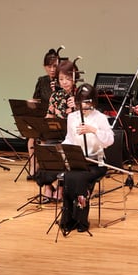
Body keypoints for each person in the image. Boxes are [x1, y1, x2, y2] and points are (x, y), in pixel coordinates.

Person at [59, 83, 115, 234]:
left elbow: (109, 140)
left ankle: (81, 220)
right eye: (81, 102)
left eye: (87, 102)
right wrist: (63, 149)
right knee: (68, 177)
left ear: (93, 102)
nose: (84, 106)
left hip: (95, 162)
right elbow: (69, 138)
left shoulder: (100, 118)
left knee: (80, 178)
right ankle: (68, 219)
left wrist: (93, 130)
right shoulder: (72, 117)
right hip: (78, 161)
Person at [35, 60, 79, 200]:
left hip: (74, 137)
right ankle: (48, 186)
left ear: (75, 78)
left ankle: (61, 187)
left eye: (68, 78)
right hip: (58, 133)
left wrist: (77, 107)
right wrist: (45, 124)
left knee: (63, 149)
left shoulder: (80, 95)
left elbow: (88, 117)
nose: (64, 82)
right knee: (44, 149)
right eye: (61, 79)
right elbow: (49, 116)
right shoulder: (56, 96)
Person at [28, 48, 60, 175]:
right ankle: (33, 166)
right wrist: (30, 103)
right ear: (44, 67)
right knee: (31, 137)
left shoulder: (62, 80)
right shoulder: (42, 80)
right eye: (49, 66)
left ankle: (44, 167)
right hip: (43, 117)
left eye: (54, 66)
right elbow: (36, 99)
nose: (52, 69)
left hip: (56, 118)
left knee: (44, 138)